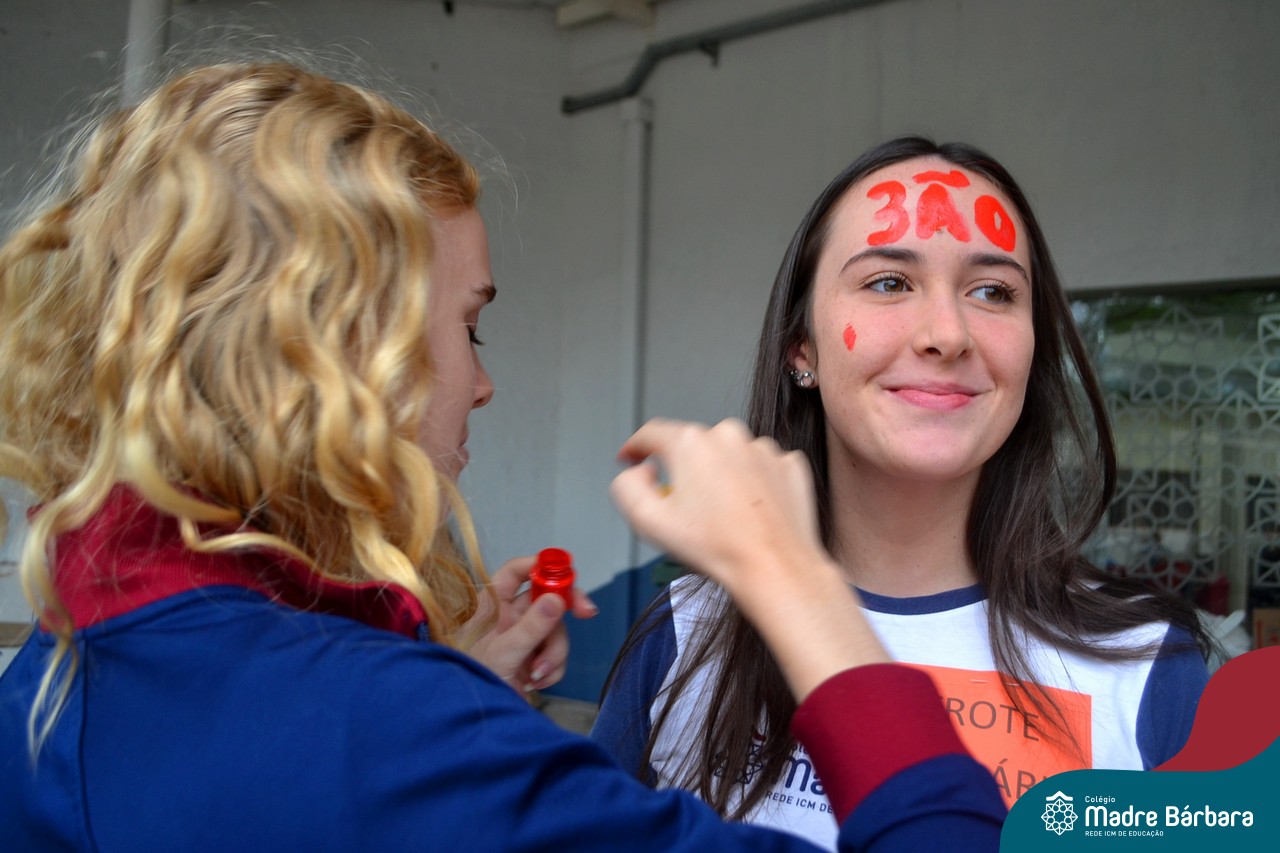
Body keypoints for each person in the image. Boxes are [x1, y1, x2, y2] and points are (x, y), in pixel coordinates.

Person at [0, 63, 1005, 850]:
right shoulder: (626, 653)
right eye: (469, 326)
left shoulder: (60, 662)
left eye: (995, 291)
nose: (944, 333)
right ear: (341, 354)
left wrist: (451, 691)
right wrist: (795, 581)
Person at [592, 136, 1212, 849]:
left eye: (993, 291)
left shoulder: (1146, 664)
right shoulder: (686, 632)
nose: (948, 334)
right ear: (802, 347)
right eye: (889, 282)